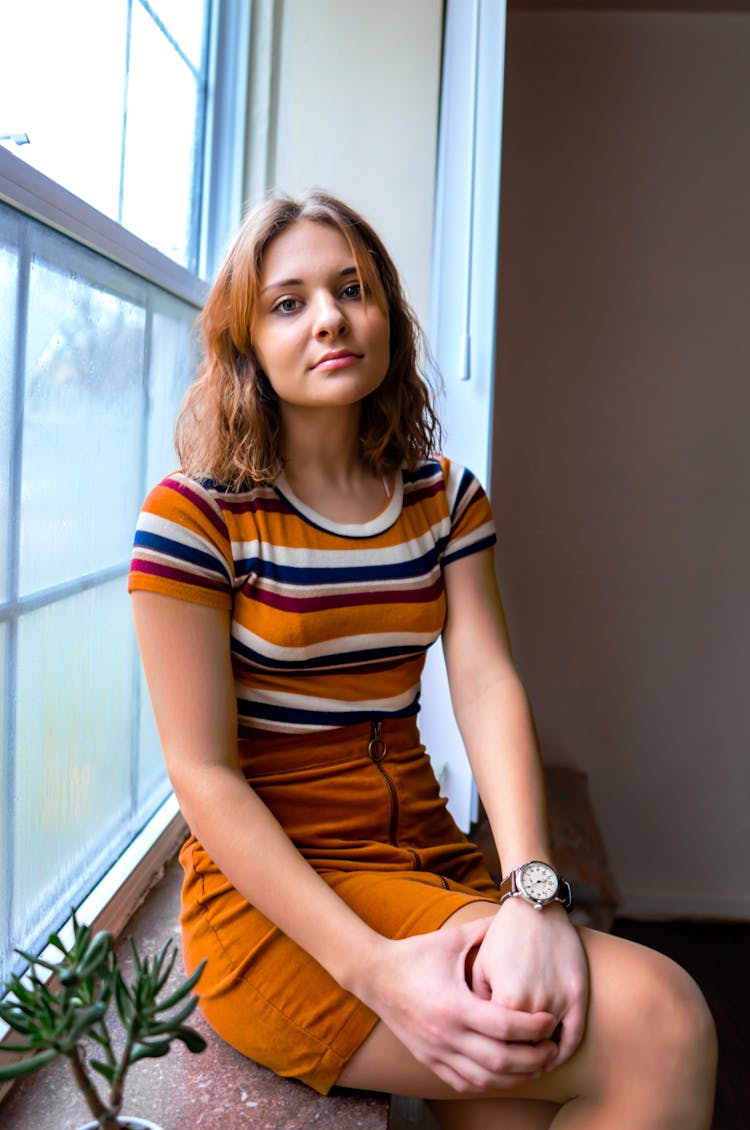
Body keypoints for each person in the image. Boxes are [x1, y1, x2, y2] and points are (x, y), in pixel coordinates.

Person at [129, 191, 717, 1128]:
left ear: (386, 316)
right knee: (665, 1020)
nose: (328, 316)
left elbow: (486, 685)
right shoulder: (193, 519)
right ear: (244, 340)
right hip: (280, 911)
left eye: (351, 288)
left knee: (518, 1094)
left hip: (429, 863)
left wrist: (531, 892)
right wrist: (376, 972)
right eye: (288, 302)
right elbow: (200, 772)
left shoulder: (443, 499)